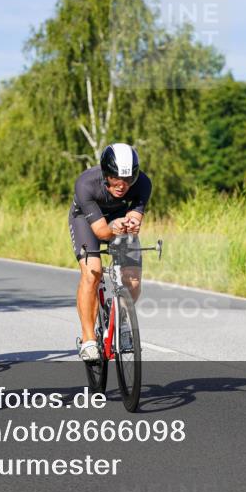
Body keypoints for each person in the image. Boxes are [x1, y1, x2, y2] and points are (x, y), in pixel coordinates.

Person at [69, 143, 151, 361]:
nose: (122, 185)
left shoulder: (143, 183)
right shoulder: (86, 183)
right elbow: (102, 232)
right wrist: (114, 227)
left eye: (128, 179)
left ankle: (123, 324)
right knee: (92, 272)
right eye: (115, 178)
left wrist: (131, 225)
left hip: (119, 220)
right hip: (86, 221)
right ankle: (88, 340)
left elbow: (134, 219)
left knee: (132, 280)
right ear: (106, 173)